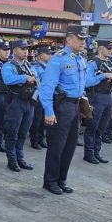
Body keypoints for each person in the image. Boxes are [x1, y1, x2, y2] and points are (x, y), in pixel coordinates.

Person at [39, 25, 88, 195]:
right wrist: (49, 111)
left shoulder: (81, 59)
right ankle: (50, 181)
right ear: (68, 40)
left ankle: (61, 179)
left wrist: (84, 105)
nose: (82, 42)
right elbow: (46, 88)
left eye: (83, 39)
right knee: (57, 145)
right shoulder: (58, 59)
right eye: (79, 39)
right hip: (61, 106)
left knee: (70, 146)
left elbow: (82, 85)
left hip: (75, 105)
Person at [0, 40, 38, 172]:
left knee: (23, 132)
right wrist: (24, 78)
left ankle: (20, 158)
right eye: (22, 49)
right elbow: (8, 79)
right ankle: (12, 160)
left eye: (26, 49)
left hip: (29, 102)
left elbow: (37, 79)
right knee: (13, 132)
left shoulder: (29, 65)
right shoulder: (9, 65)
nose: (25, 51)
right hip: (15, 102)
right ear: (15, 50)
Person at [83, 40, 112, 164]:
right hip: (96, 97)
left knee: (102, 127)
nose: (111, 51)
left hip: (109, 96)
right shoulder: (93, 63)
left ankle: (96, 152)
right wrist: (103, 76)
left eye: (111, 49)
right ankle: (89, 153)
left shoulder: (110, 61)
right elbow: (87, 82)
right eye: (108, 49)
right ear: (101, 48)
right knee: (93, 126)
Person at [30, 46, 52, 149]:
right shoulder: (35, 66)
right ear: (41, 55)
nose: (50, 55)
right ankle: (34, 140)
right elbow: (36, 80)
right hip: (38, 95)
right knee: (37, 119)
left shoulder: (50, 66)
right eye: (47, 54)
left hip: (47, 95)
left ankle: (41, 139)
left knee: (44, 119)